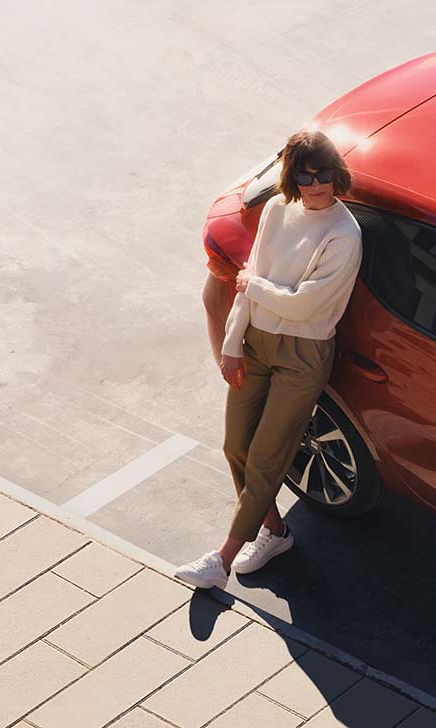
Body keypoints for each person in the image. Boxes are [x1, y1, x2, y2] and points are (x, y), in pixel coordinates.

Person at [175, 130, 362, 589]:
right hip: (256, 342)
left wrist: (252, 288)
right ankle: (276, 532)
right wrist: (232, 345)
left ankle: (220, 560)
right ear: (292, 177)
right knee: (235, 445)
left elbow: (305, 304)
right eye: (306, 175)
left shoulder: (344, 234)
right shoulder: (278, 210)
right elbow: (252, 279)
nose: (317, 185)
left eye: (324, 175)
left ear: (337, 174)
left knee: (265, 457)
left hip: (303, 354)